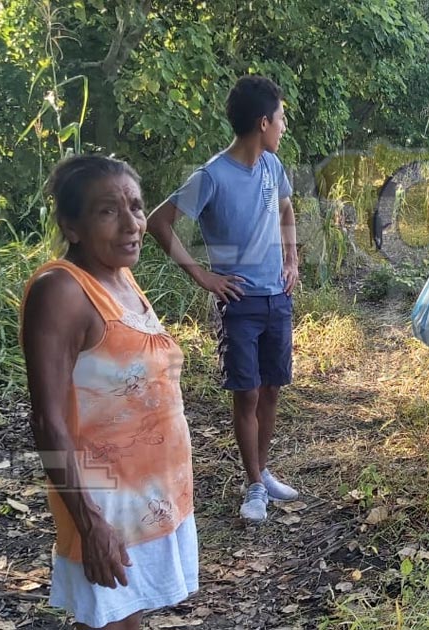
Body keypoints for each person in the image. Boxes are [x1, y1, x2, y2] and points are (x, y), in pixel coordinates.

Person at [21, 155, 197, 630]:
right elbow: (46, 421)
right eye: (107, 211)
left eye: (136, 207)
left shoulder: (121, 278)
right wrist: (89, 521)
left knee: (125, 621)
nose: (131, 224)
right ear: (72, 226)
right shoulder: (61, 292)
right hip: (103, 502)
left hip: (149, 496)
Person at [147, 75, 299, 523]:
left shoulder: (273, 167)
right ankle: (253, 486)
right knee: (247, 393)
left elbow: (287, 209)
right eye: (281, 118)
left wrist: (292, 259)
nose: (284, 126)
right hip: (241, 304)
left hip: (278, 298)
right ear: (262, 122)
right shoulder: (211, 175)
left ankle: (263, 471)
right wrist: (202, 275)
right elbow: (159, 222)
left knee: (272, 388)